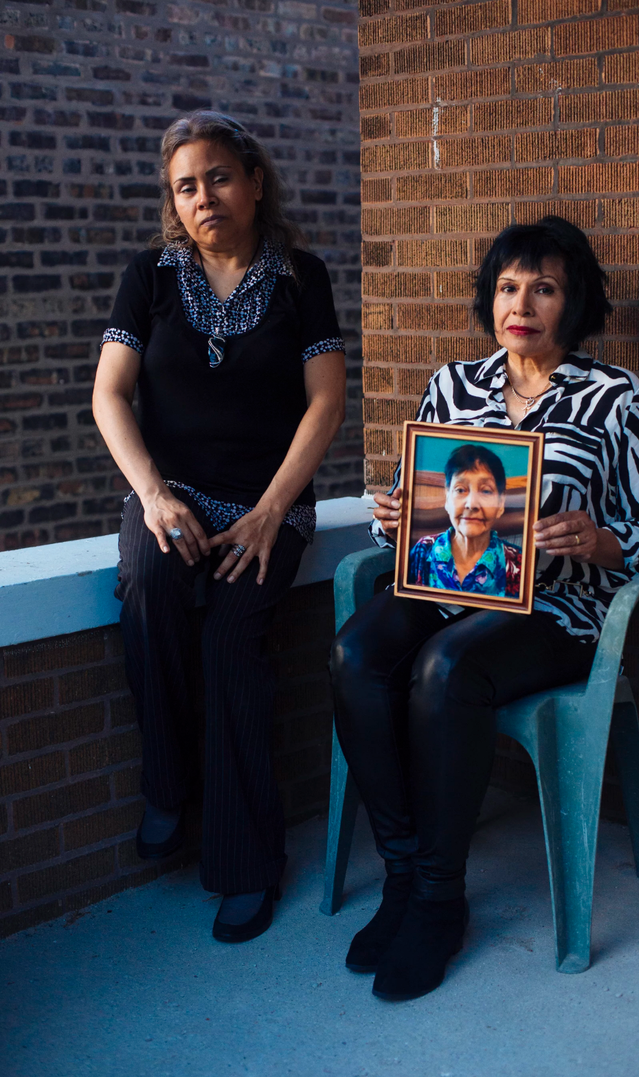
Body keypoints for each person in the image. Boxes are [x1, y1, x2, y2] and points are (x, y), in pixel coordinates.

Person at [330, 216, 639, 1001]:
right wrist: (396, 515)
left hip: (558, 616)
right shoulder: (454, 385)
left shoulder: (617, 399)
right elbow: (422, 500)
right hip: (449, 590)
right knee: (358, 648)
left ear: (573, 302)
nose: (523, 303)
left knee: (445, 668)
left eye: (544, 288)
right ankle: (404, 876)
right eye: (510, 286)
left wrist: (596, 539)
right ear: (491, 298)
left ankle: (441, 902)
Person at [92, 111, 346, 943]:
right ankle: (166, 783)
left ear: (256, 180)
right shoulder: (150, 277)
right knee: (154, 578)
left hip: (268, 506)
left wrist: (275, 508)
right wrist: (156, 494)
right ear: (175, 201)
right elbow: (110, 394)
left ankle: (247, 865)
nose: (206, 197)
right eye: (186, 186)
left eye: (220, 177)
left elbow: (325, 401)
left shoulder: (302, 278)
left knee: (234, 640)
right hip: (171, 494)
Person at [408, 443, 521, 597]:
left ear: (500, 504)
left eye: (486, 491)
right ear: (447, 498)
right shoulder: (424, 550)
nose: (472, 504)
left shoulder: (517, 562)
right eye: (460, 490)